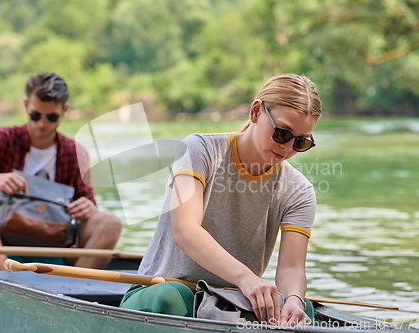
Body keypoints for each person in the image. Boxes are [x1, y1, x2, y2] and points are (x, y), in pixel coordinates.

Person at [120, 74, 321, 326]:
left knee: (305, 312)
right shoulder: (199, 149)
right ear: (256, 111)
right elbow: (185, 231)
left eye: (301, 142)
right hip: (164, 293)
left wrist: (293, 299)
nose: (288, 149)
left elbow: (291, 269)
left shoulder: (299, 190)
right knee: (173, 297)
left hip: (229, 303)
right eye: (281, 133)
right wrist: (246, 278)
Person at [0, 72, 122, 270]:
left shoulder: (75, 152)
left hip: (56, 239)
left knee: (109, 222)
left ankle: (74, 289)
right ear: (25, 105)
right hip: (0, 240)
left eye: (52, 117)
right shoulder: (1, 139)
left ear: (65, 110)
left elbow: (90, 207)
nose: (42, 124)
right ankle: (5, 286)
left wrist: (88, 208)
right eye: (35, 115)